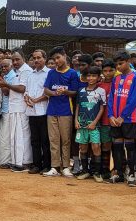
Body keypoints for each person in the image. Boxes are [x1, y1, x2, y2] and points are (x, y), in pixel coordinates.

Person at [43, 46, 79, 177]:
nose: (56, 61)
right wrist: (53, 93)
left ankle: (66, 167)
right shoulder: (51, 73)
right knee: (53, 140)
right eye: (54, 59)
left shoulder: (72, 73)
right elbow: (46, 90)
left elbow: (75, 92)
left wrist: (65, 92)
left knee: (66, 140)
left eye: (58, 57)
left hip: (66, 111)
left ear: (64, 56)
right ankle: (55, 167)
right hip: (51, 110)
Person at [0, 49, 33, 172]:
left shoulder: (26, 70)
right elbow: (9, 91)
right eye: (13, 60)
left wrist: (6, 84)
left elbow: (22, 89)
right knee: (15, 136)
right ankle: (17, 161)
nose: (15, 62)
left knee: (23, 136)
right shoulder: (16, 72)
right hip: (14, 108)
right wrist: (4, 85)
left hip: (22, 108)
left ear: (24, 59)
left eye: (17, 59)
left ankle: (25, 162)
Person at [107, 51, 136, 187]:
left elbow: (134, 99)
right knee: (117, 146)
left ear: (128, 61)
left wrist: (122, 116)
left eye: (121, 63)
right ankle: (119, 174)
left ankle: (131, 174)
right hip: (115, 119)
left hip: (129, 119)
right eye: (117, 64)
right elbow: (111, 98)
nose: (118, 66)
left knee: (130, 146)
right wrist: (111, 116)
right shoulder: (116, 79)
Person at [75, 66, 106, 182]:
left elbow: (102, 109)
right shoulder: (81, 91)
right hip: (81, 124)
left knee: (95, 146)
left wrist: (94, 122)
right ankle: (85, 171)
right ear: (85, 77)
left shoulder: (101, 91)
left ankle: (97, 173)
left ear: (98, 77)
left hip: (94, 125)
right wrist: (76, 121)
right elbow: (78, 106)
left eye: (93, 76)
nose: (91, 78)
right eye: (88, 75)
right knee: (82, 147)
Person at [25, 50, 51, 174]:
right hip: (31, 112)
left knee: (45, 140)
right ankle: (36, 165)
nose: (36, 60)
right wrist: (27, 99)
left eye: (39, 58)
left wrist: (36, 100)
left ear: (44, 59)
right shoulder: (30, 74)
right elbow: (26, 91)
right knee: (34, 140)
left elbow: (49, 93)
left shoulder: (49, 73)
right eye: (34, 58)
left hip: (44, 111)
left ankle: (46, 166)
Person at [97, 60, 115, 179]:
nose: (108, 73)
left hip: (117, 120)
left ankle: (120, 170)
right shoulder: (99, 86)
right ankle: (105, 170)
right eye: (105, 71)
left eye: (110, 70)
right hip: (104, 121)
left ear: (115, 71)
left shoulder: (118, 83)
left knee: (118, 146)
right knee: (105, 145)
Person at [0, 59, 16, 169]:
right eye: (2, 67)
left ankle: (8, 161)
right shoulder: (6, 76)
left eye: (5, 66)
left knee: (7, 137)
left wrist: (2, 83)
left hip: (10, 110)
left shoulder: (13, 76)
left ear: (11, 66)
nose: (3, 69)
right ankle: (5, 160)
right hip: (4, 110)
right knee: (4, 137)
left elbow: (7, 92)